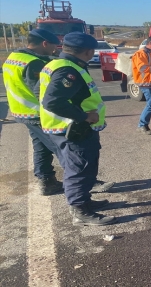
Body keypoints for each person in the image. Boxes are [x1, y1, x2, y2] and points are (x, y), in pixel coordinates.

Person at [39, 32, 116, 226]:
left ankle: (85, 202)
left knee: (80, 166)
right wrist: (84, 116)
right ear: (89, 52)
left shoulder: (56, 64)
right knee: (79, 169)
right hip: (73, 129)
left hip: (65, 128)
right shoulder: (68, 70)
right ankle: (80, 210)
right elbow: (53, 101)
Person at [2, 29, 63, 195]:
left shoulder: (13, 57)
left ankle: (46, 182)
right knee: (61, 147)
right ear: (45, 43)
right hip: (36, 113)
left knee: (41, 146)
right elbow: (41, 91)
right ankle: (84, 181)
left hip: (21, 111)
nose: (54, 50)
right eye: (53, 46)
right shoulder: (33, 62)